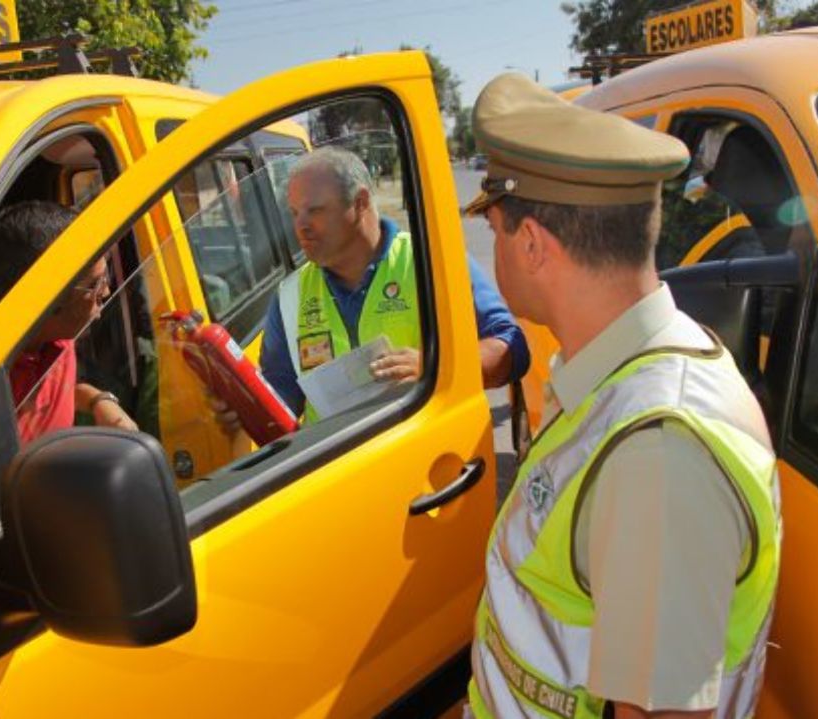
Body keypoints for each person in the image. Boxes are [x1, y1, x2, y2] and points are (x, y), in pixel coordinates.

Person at [462, 74, 781, 719]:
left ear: (531, 245)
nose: (493, 245)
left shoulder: (658, 456)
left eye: (494, 228)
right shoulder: (617, 370)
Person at [255, 146, 528, 424]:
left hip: (418, 459)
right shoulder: (291, 294)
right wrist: (245, 409)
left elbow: (512, 348)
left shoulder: (432, 264)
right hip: (337, 465)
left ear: (360, 202)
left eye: (315, 210)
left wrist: (434, 368)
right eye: (294, 212)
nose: (300, 225)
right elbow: (281, 394)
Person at [0, 200, 137, 445]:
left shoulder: (54, 334)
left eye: (107, 276)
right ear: (46, 299)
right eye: (95, 284)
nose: (107, 290)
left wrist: (100, 401)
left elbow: (57, 389)